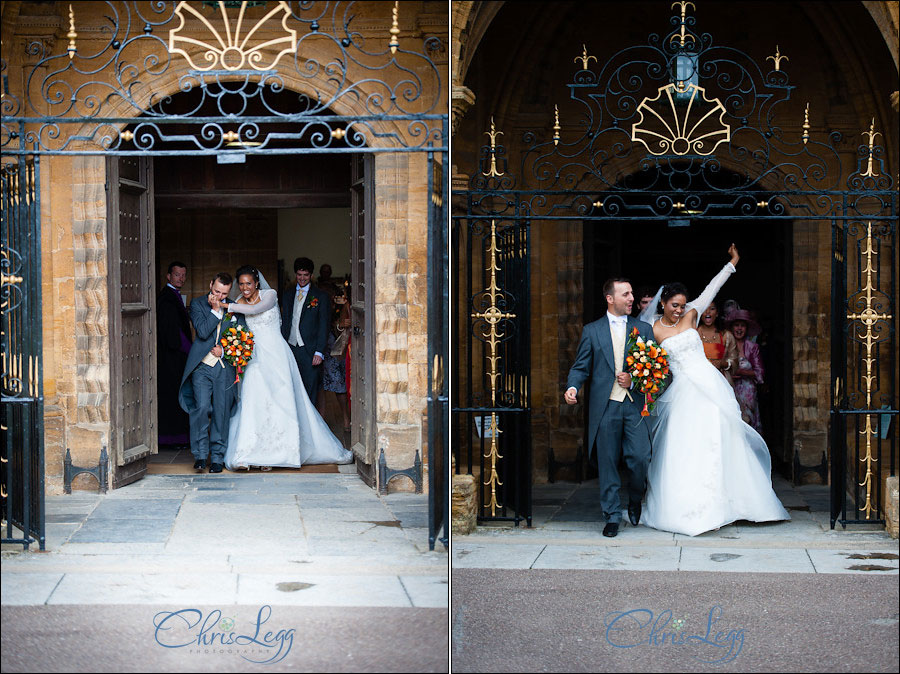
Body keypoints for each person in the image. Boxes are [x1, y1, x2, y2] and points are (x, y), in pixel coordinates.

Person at [637, 244, 789, 536]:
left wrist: (732, 263)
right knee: (685, 445)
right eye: (675, 305)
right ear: (663, 303)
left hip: (709, 385)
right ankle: (689, 505)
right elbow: (647, 362)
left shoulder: (692, 315)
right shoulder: (653, 330)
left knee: (720, 439)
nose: (680, 309)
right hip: (681, 392)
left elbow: (712, 289)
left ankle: (728, 503)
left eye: (683, 305)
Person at [223, 266, 352, 470]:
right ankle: (251, 452)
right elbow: (234, 324)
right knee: (253, 400)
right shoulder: (238, 301)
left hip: (276, 355)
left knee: (280, 399)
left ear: (256, 282)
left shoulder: (270, 295)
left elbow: (256, 310)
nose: (245, 287)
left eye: (248, 283)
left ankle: (280, 452)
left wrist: (226, 306)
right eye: (241, 284)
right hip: (255, 357)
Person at [564, 278, 655, 538]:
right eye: (625, 294)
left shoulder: (644, 329)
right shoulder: (592, 331)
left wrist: (634, 380)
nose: (630, 298)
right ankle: (612, 515)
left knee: (639, 458)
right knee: (607, 463)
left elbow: (657, 371)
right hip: (605, 407)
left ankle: (635, 498)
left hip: (635, 406)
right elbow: (581, 366)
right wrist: (573, 387)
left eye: (631, 293)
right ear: (610, 298)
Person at [178, 272, 243, 473]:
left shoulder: (233, 308)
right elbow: (203, 331)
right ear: (210, 285)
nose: (220, 297)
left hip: (225, 368)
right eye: (216, 291)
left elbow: (242, 338)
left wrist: (223, 350)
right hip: (202, 367)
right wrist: (216, 310)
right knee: (201, 408)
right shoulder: (197, 304)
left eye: (224, 293)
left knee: (221, 412)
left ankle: (217, 457)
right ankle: (199, 455)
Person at [281, 257, 330, 405]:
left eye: (306, 275)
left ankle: (309, 426)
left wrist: (319, 351)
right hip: (290, 348)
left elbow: (324, 325)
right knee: (290, 388)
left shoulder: (321, 297)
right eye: (299, 275)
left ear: (311, 275)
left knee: (310, 391)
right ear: (296, 274)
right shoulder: (287, 294)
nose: (302, 278)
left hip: (309, 350)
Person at [157, 261, 192, 447]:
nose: (181, 278)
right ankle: (172, 439)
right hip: (172, 358)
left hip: (176, 357)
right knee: (173, 396)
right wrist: (191, 352)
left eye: (183, 275)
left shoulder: (173, 296)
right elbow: (174, 333)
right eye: (177, 274)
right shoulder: (167, 298)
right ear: (168, 276)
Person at [725, 309, 765, 433]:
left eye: (742, 326)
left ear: (747, 328)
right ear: (732, 328)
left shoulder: (752, 347)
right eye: (736, 325)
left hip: (748, 393)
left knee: (747, 423)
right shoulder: (725, 345)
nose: (739, 329)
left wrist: (742, 372)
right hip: (729, 389)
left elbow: (760, 373)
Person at [319, 288, 352, 434]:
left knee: (340, 385)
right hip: (323, 348)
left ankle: (346, 418)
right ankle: (321, 420)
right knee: (321, 386)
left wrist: (340, 324)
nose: (334, 298)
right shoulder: (322, 306)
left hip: (339, 350)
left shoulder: (345, 307)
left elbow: (341, 328)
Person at [697, 299, 739, 384]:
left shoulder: (726, 336)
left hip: (719, 382)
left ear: (717, 313)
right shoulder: (693, 334)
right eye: (705, 308)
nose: (708, 312)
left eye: (712, 309)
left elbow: (735, 361)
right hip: (697, 380)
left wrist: (723, 363)